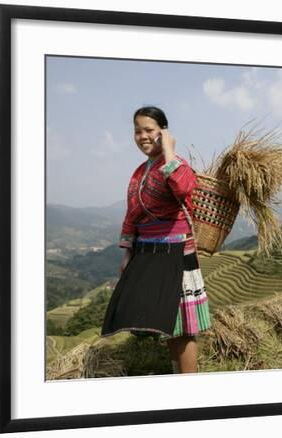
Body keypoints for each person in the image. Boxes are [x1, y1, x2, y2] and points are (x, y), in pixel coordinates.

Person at [100, 105, 212, 374]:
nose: (142, 136)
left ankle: (189, 388)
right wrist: (128, 252)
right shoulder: (140, 171)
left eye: (149, 130)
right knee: (167, 323)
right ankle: (177, 375)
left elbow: (183, 187)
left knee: (183, 328)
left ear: (163, 132)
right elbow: (132, 212)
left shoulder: (177, 164)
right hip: (148, 252)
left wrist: (170, 150)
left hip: (176, 253)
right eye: (137, 131)